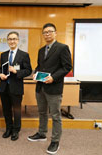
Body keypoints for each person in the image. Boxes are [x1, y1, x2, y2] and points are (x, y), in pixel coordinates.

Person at [27, 23, 72, 154]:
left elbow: (67, 67)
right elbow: (40, 66)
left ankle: (55, 141)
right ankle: (42, 133)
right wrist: (35, 73)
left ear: (55, 33)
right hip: (40, 87)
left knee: (56, 115)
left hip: (54, 87)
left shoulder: (62, 48)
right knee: (41, 112)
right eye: (45, 32)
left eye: (50, 31)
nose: (47, 34)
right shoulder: (42, 50)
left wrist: (54, 77)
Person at [0, 31, 32, 141]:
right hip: (4, 87)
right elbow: (0, 69)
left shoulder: (24, 55)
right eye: (10, 39)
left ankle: (16, 130)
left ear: (18, 40)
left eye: (14, 39)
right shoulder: (3, 55)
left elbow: (28, 70)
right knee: (6, 109)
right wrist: (0, 74)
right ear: (7, 41)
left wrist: (16, 71)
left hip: (16, 87)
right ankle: (8, 128)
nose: (12, 41)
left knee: (17, 110)